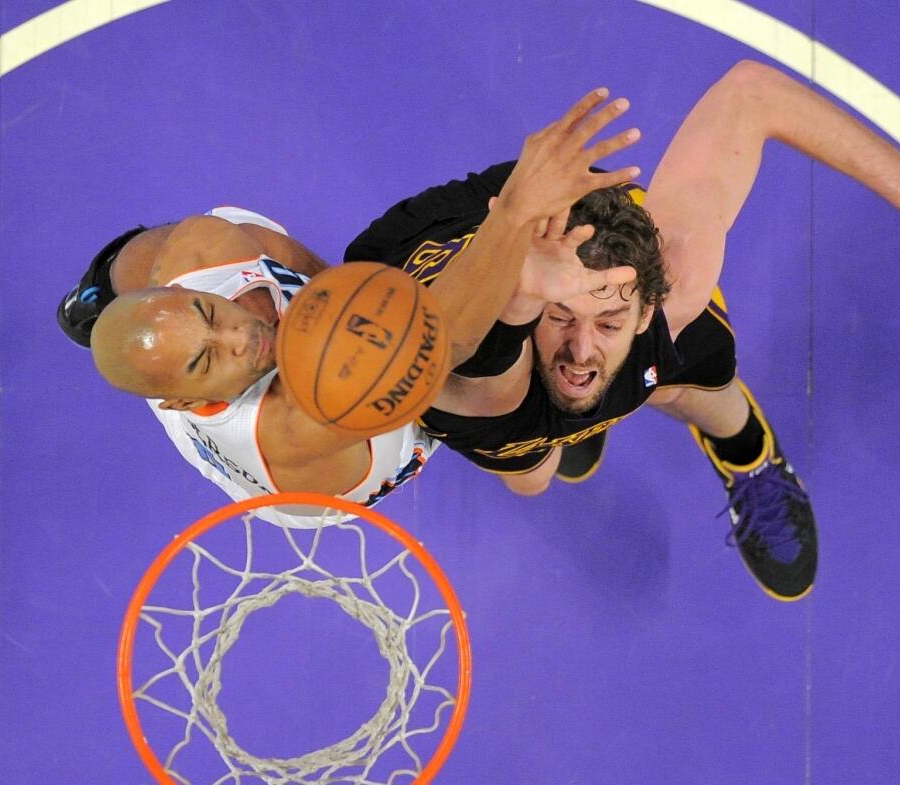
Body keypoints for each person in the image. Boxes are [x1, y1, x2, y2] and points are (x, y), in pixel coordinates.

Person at [343, 60, 900, 599]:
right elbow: (480, 334)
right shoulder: (475, 374)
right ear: (536, 303)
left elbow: (751, 93)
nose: (580, 347)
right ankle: (572, 418)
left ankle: (748, 455)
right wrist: (518, 266)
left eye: (610, 319)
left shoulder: (673, 282)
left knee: (698, 387)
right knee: (532, 473)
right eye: (563, 319)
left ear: (646, 305)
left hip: (553, 277)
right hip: (443, 285)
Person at [72, 91, 643, 526]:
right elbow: (443, 342)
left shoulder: (203, 250)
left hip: (188, 301)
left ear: (185, 289)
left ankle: (96, 289)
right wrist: (514, 212)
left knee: (168, 248)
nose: (240, 337)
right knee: (512, 441)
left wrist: (350, 297)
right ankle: (561, 433)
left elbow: (303, 266)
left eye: (209, 314)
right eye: (206, 360)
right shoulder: (291, 427)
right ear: (185, 400)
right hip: (335, 475)